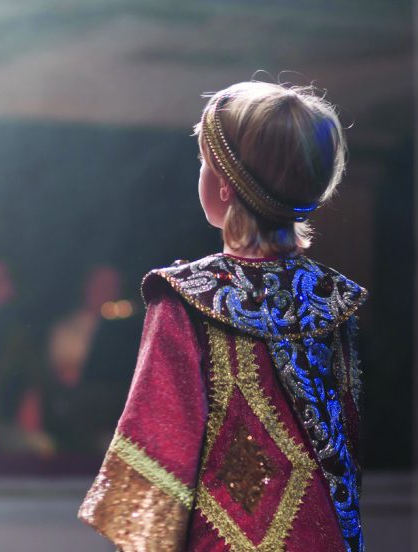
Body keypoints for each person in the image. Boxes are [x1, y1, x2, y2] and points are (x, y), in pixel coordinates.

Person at [77, 80, 367, 552]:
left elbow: (157, 460)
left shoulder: (186, 298)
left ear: (224, 186)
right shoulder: (335, 301)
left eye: (204, 164)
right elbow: (345, 459)